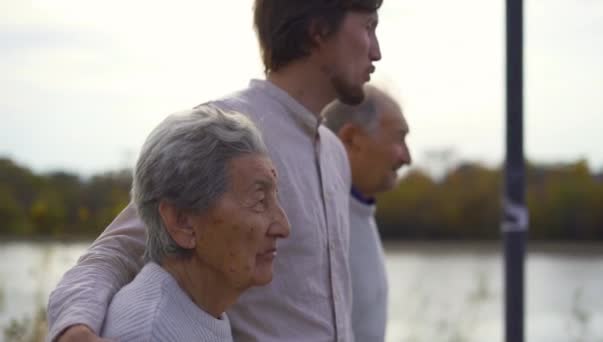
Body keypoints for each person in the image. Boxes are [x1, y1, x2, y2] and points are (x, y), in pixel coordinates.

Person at [47, 1, 383, 341]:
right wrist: (74, 330)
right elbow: (114, 253)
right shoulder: (226, 137)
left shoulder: (335, 153)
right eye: (368, 26)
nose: (377, 51)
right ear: (318, 30)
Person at [100, 106, 290, 341]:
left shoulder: (199, 308)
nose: (283, 227)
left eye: (275, 197)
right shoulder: (150, 333)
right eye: (260, 200)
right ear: (182, 222)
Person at [323, 84, 412, 342]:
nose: (407, 158)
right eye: (399, 138)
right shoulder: (312, 221)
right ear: (352, 139)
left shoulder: (359, 208)